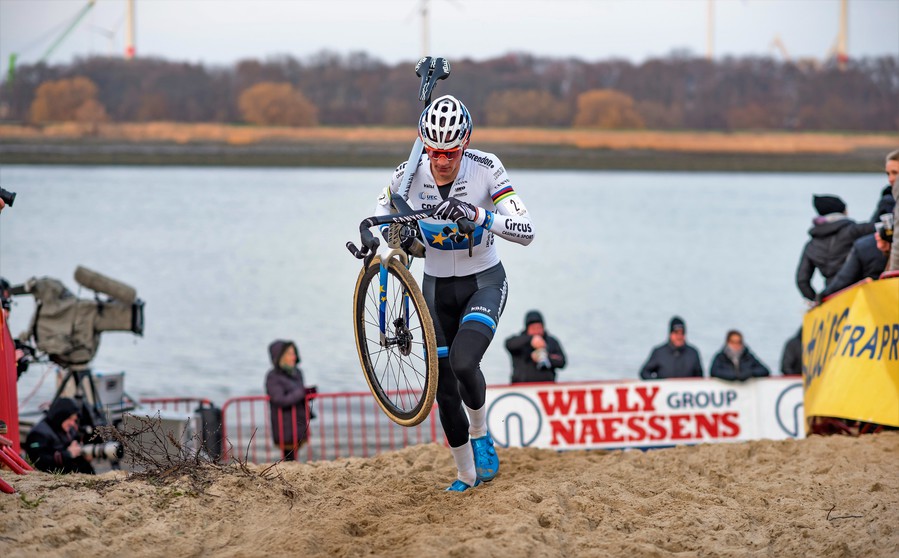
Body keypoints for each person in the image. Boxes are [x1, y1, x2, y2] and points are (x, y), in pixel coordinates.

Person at [365, 94, 534, 492]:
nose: (442, 161)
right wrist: (394, 237)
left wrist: (480, 215)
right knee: (443, 390)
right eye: (436, 152)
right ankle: (465, 474)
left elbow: (527, 232)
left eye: (452, 153)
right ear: (425, 145)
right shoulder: (406, 174)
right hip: (435, 288)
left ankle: (480, 433)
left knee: (462, 362)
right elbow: (382, 221)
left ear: (466, 143)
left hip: (484, 282)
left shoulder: (487, 168)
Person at [795, 194, 876, 302]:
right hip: (861, 294)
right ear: (843, 211)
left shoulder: (811, 245)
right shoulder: (857, 230)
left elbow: (802, 281)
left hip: (832, 298)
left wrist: (817, 300)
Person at [818, 216, 893, 300]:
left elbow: (844, 279)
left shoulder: (864, 245)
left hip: (873, 296)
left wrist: (822, 295)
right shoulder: (856, 231)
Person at [265, 339, 310, 461]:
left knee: (294, 456)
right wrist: (301, 392)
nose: (294, 357)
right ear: (280, 356)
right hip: (285, 424)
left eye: (294, 353)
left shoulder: (297, 372)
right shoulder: (273, 376)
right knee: (289, 457)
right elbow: (279, 399)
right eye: (289, 353)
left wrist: (308, 394)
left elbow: (297, 394)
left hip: (298, 421)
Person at [24, 397, 95, 474]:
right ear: (60, 416)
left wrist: (83, 454)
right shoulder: (38, 434)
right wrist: (67, 454)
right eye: (70, 419)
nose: (72, 423)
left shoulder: (67, 429)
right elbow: (38, 460)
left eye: (74, 420)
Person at [505, 310, 567, 384]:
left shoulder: (551, 341)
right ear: (527, 329)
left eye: (539, 327)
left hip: (546, 387)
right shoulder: (519, 342)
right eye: (533, 328)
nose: (537, 331)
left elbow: (562, 362)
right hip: (521, 387)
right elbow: (508, 344)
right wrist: (530, 339)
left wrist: (546, 358)